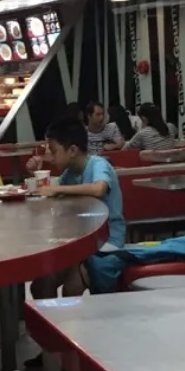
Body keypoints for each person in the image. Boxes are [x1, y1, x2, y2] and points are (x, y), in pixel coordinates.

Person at [31, 116, 127, 296]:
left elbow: (99, 188)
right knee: (42, 284)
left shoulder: (98, 164)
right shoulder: (70, 173)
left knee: (72, 286)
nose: (50, 156)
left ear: (73, 150)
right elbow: (52, 194)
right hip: (81, 242)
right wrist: (35, 173)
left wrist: (57, 189)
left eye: (53, 151)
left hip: (107, 242)